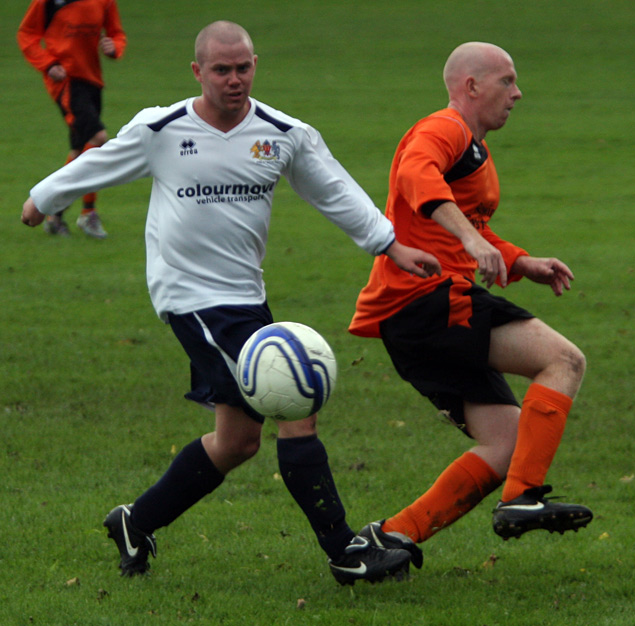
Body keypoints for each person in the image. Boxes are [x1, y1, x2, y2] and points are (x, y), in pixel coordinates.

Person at [21, 21, 440, 584]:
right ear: (198, 72)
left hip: (246, 296)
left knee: (238, 441)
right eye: (222, 70)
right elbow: (99, 161)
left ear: (255, 65)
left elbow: (334, 189)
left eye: (243, 68)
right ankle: (345, 551)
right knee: (296, 399)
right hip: (189, 295)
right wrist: (42, 199)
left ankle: (135, 522)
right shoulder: (162, 129)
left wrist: (390, 244)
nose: (234, 79)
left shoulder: (282, 133)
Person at [348, 42, 593, 561]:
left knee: (507, 441)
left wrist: (520, 261)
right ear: (471, 86)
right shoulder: (445, 128)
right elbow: (416, 175)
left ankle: (388, 540)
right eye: (507, 81)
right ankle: (522, 498)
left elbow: (471, 226)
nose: (517, 93)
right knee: (564, 360)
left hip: (412, 317)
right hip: (429, 301)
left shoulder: (474, 148)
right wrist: (472, 240)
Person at [17, 0, 127, 238]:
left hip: (92, 80)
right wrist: (47, 64)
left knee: (80, 151)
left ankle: (54, 216)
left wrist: (114, 47)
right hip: (66, 81)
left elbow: (116, 33)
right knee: (98, 138)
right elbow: (26, 34)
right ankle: (88, 212)